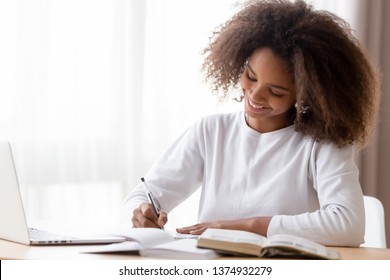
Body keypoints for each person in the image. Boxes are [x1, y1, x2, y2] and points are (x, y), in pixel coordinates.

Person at [122, 0, 380, 247]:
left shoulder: (323, 143)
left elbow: (349, 225)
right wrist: (141, 211)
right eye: (250, 76)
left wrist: (251, 226)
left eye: (276, 91)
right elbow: (143, 194)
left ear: (306, 94)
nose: (255, 95)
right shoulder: (211, 132)